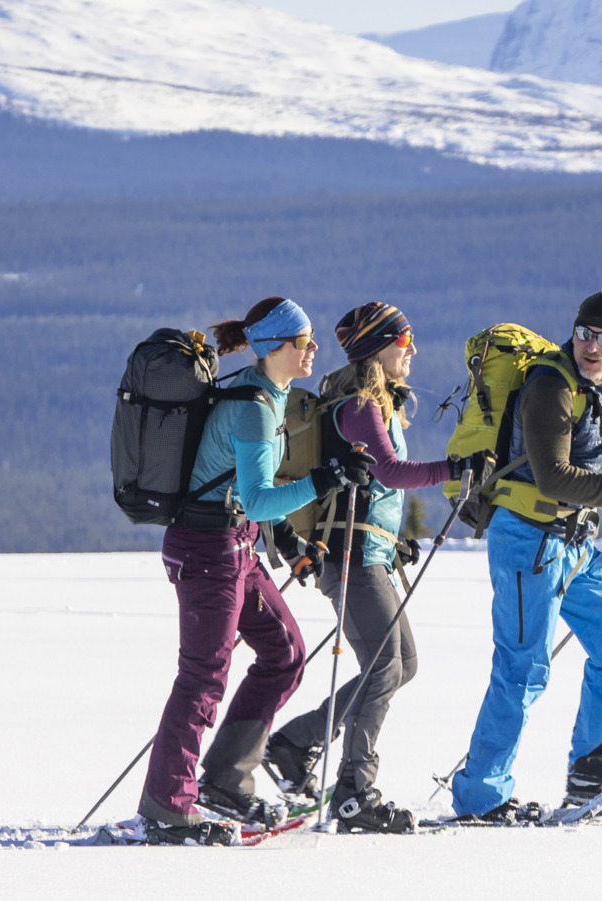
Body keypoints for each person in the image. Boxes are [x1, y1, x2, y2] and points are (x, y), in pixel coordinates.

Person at [137, 296, 372, 845]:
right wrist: (326, 477)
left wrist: (286, 539)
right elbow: (260, 498)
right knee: (202, 677)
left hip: (233, 546)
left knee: (284, 651)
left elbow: (248, 499)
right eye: (305, 342)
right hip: (207, 552)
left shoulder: (264, 391)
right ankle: (168, 803)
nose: (314, 350)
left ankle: (224, 777)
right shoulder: (255, 408)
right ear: (277, 348)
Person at [444, 290, 602, 825]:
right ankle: (482, 797)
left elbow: (591, 477)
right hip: (527, 539)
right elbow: (553, 476)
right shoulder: (550, 385)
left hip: (576, 542)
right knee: (524, 665)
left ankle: (592, 770)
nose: (590, 347)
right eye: (583, 334)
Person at [262, 302, 487, 834]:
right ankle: (354, 789)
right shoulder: (361, 404)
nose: (411, 351)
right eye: (403, 342)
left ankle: (296, 742)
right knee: (386, 667)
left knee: (401, 665)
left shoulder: (377, 405)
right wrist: (454, 470)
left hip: (371, 554)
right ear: (378, 348)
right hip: (352, 561)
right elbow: (389, 470)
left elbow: (375, 489)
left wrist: (394, 541)